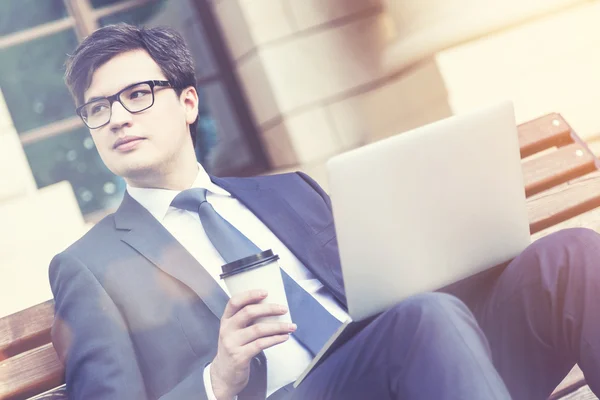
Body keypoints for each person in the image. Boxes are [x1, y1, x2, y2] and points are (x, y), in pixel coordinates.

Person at [49, 23, 600, 400]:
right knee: (422, 322)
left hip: (426, 363)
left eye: (137, 95)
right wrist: (218, 377)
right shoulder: (88, 267)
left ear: (188, 102)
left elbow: (385, 295)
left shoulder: (288, 192)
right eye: (98, 109)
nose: (118, 118)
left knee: (570, 257)